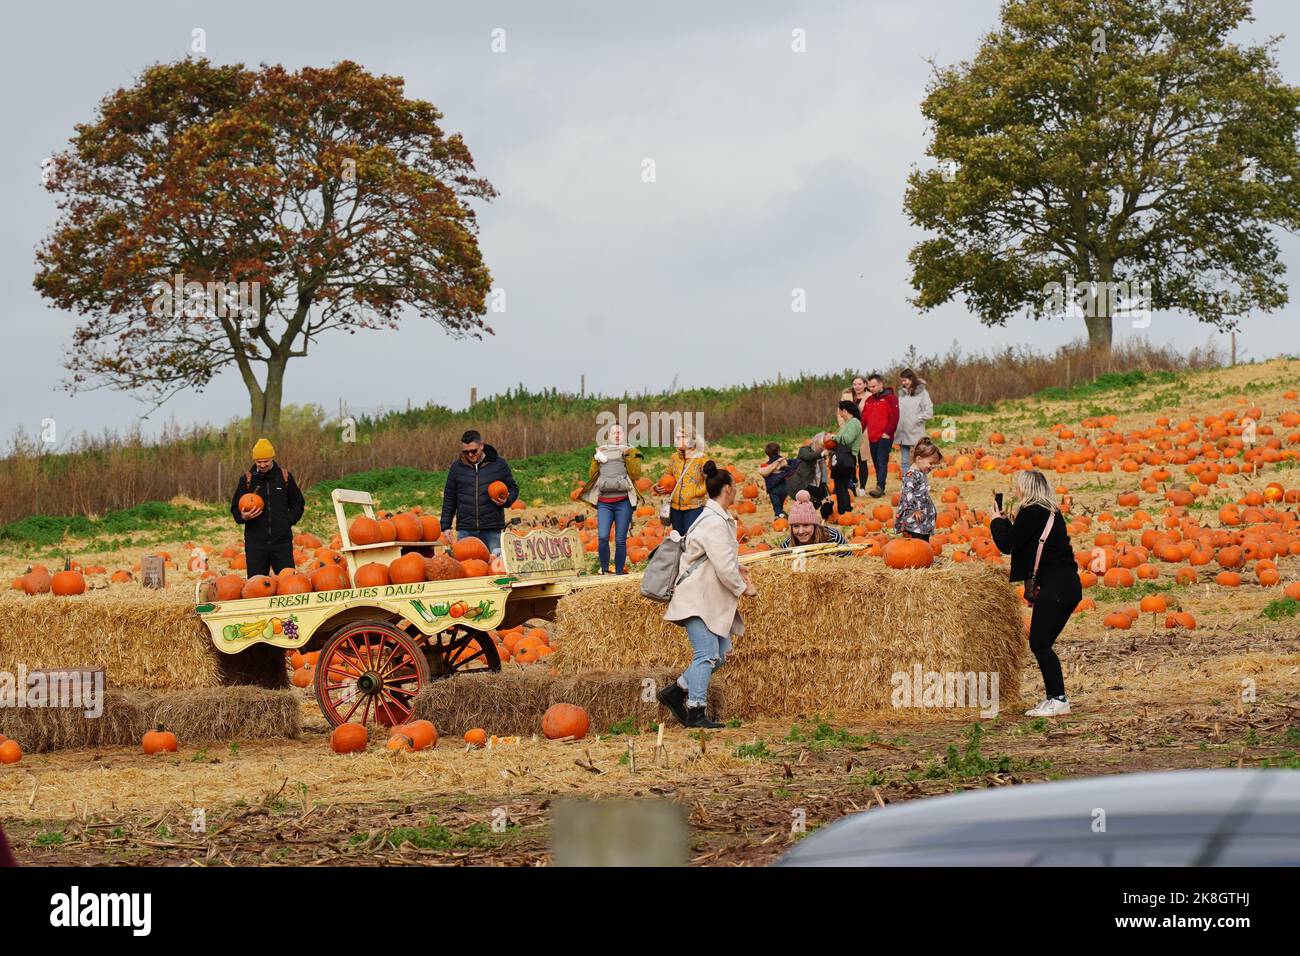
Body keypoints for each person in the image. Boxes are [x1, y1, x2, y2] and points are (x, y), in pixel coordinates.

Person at [658, 461, 756, 729]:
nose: (736, 492)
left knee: (721, 652)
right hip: (696, 599)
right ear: (727, 489)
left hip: (704, 599)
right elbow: (723, 566)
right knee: (707, 653)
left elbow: (717, 558)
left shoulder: (715, 518)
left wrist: (736, 566)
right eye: (734, 488)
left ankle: (676, 692)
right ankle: (695, 710)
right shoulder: (714, 521)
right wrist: (744, 588)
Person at [990, 470, 1082, 718]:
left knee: (1039, 643)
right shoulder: (1051, 512)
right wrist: (1009, 523)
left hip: (1056, 587)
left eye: (1019, 486)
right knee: (1043, 643)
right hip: (1069, 585)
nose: (1016, 490)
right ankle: (1055, 698)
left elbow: (1008, 545)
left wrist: (996, 520)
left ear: (1027, 488)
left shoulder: (1030, 512)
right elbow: (1024, 539)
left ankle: (1058, 699)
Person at [230, 438, 305, 576]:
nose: (262, 465)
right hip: (256, 543)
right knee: (257, 585)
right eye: (259, 462)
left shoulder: (284, 477)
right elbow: (235, 507)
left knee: (288, 581)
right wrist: (242, 517)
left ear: (272, 458)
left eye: (266, 461)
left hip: (281, 543)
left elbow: (298, 503)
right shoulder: (247, 480)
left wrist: (288, 521)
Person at [439, 430, 519, 555]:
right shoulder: (457, 468)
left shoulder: (498, 464)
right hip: (466, 529)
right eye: (466, 452)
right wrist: (446, 526)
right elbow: (450, 498)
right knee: (467, 566)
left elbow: (513, 488)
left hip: (492, 528)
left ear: (481, 445)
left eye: (474, 451)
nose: (470, 454)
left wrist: (506, 501)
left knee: (496, 564)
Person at [578, 424, 643, 574]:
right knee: (602, 537)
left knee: (620, 540)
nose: (617, 434)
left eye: (620, 432)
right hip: (604, 503)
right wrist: (596, 459)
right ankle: (605, 570)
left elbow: (635, 475)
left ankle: (619, 572)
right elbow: (592, 475)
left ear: (625, 435)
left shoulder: (631, 451)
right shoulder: (601, 451)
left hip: (623, 502)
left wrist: (628, 456)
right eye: (614, 432)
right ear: (609, 435)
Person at [657, 426, 708, 536]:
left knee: (690, 539)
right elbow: (667, 476)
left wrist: (697, 492)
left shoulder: (701, 458)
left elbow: (711, 480)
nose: (677, 440)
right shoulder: (674, 458)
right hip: (675, 508)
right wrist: (659, 488)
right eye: (676, 437)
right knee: (679, 540)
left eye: (681, 437)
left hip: (694, 507)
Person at [893, 438, 942, 540]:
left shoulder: (920, 473)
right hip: (914, 517)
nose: (932, 467)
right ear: (919, 459)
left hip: (922, 517)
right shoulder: (910, 475)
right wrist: (914, 510)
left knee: (924, 538)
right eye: (931, 463)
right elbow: (907, 493)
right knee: (915, 540)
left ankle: (924, 553)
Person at [860, 373, 899, 498]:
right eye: (869, 387)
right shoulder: (869, 400)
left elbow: (895, 417)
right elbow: (864, 420)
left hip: (884, 436)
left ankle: (880, 487)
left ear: (881, 385)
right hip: (872, 436)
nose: (871, 389)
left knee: (882, 461)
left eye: (873, 386)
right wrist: (858, 432)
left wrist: (888, 433)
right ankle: (880, 484)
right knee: (876, 462)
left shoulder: (890, 398)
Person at [895, 369, 934, 474]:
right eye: (902, 381)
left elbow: (929, 411)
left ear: (912, 379)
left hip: (915, 433)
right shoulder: (902, 394)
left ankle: (919, 485)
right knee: (904, 462)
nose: (903, 383)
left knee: (917, 462)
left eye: (905, 380)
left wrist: (917, 419)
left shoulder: (922, 393)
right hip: (902, 433)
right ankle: (907, 486)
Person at [829, 400, 864, 516]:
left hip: (847, 456)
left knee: (842, 485)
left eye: (839, 410)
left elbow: (847, 439)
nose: (839, 413)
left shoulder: (854, 422)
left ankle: (845, 510)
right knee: (839, 485)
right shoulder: (848, 423)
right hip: (843, 456)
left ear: (844, 410)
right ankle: (843, 510)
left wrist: (833, 437)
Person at [780, 490, 847, 548]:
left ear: (815, 525)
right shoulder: (787, 546)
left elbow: (848, 558)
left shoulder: (834, 538)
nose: (800, 531)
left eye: (806, 525)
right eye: (796, 526)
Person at [757, 442, 794, 518]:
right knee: (780, 503)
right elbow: (790, 469)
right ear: (778, 451)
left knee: (776, 504)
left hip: (773, 489)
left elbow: (763, 473)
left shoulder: (766, 466)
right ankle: (780, 514)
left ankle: (779, 515)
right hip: (784, 487)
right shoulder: (783, 462)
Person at [849, 375, 871, 494]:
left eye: (859, 384)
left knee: (862, 460)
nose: (857, 386)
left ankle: (862, 487)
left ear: (865, 385)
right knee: (850, 459)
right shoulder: (849, 397)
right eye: (855, 384)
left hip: (864, 432)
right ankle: (854, 481)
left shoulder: (870, 397)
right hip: (851, 432)